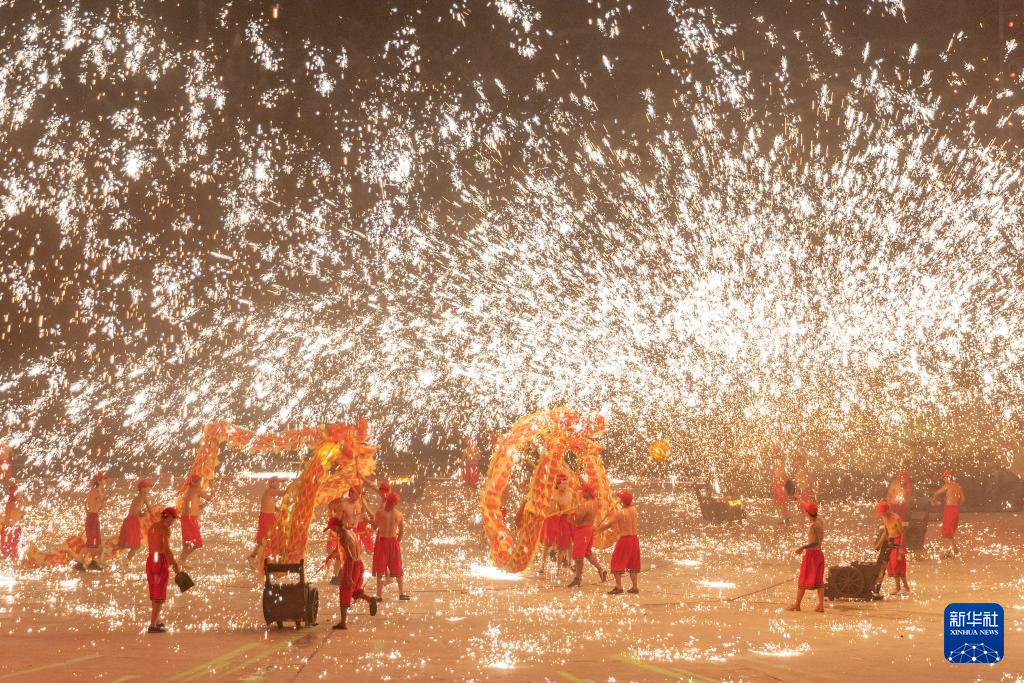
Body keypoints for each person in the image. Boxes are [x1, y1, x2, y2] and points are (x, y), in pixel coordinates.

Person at [328, 517, 378, 629]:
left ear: (336, 527)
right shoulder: (350, 532)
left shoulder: (343, 538)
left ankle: (343, 623)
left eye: (332, 528)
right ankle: (370, 600)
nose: (332, 531)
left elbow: (349, 558)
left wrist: (349, 577)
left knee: (345, 591)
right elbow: (346, 549)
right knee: (354, 590)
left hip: (352, 565)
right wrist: (331, 555)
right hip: (360, 563)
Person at [597, 490, 640, 595]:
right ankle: (634, 587)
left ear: (622, 501)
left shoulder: (620, 513)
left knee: (617, 562)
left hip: (625, 540)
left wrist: (597, 529)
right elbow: (630, 504)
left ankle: (618, 587)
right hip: (634, 540)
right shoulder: (634, 509)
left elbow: (608, 524)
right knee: (633, 563)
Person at [146, 507, 181, 633]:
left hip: (151, 559)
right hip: (160, 559)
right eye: (174, 519)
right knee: (159, 592)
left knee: (155, 590)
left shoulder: (153, 527)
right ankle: (152, 625)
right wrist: (175, 565)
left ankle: (157, 621)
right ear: (169, 517)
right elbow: (166, 549)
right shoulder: (165, 529)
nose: (174, 522)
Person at [566, 481, 607, 588]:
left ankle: (578, 578)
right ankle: (601, 570)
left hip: (582, 531)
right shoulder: (595, 502)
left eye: (583, 491)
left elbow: (577, 521)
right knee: (587, 553)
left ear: (587, 493)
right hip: (589, 530)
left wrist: (570, 518)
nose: (581, 493)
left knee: (578, 556)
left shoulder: (585, 505)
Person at [786, 501, 825, 612]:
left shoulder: (813, 526)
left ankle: (797, 605)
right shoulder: (820, 521)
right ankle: (821, 606)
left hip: (812, 555)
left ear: (807, 513)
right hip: (819, 554)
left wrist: (802, 548)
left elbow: (815, 542)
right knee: (819, 581)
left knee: (802, 580)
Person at [372, 492, 410, 600]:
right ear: (396, 503)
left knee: (380, 569)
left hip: (382, 542)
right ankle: (401, 593)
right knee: (397, 568)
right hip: (393, 542)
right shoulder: (399, 514)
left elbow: (374, 527)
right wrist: (397, 542)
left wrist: (368, 520)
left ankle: (379, 595)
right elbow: (402, 531)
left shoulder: (380, 513)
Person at [540, 474, 575, 576]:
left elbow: (574, 502)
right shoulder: (553, 496)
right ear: (558, 485)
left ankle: (570, 562)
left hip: (567, 519)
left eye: (566, 484)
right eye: (563, 485)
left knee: (569, 543)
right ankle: (542, 565)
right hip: (553, 519)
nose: (565, 486)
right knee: (548, 544)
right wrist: (559, 512)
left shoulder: (570, 492)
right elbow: (552, 511)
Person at [875, 501, 909, 595]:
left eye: (883, 513)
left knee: (898, 565)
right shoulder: (885, 518)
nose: (882, 515)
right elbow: (886, 532)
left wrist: (901, 547)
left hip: (898, 542)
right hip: (890, 542)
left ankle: (904, 587)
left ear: (887, 511)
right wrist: (879, 544)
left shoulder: (896, 518)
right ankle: (898, 587)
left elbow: (902, 533)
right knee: (893, 566)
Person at [114, 479, 153, 562]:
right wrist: (147, 513)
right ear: (142, 489)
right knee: (135, 546)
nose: (148, 489)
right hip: (133, 522)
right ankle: (126, 562)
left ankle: (104, 554)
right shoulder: (144, 497)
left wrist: (142, 513)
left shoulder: (137, 497)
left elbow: (135, 511)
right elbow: (149, 510)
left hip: (128, 520)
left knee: (123, 544)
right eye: (147, 487)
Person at [931, 469, 966, 557]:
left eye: (944, 478)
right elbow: (963, 500)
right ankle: (950, 551)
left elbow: (936, 493)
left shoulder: (947, 486)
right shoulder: (958, 486)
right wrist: (956, 503)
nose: (943, 480)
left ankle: (955, 549)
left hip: (949, 510)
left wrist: (934, 501)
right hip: (956, 510)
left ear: (947, 477)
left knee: (947, 532)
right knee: (950, 531)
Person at [179, 474, 210, 566]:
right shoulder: (197, 490)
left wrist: (202, 506)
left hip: (185, 518)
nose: (199, 482)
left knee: (187, 543)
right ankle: (181, 560)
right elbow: (209, 497)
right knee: (197, 544)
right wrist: (212, 485)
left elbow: (191, 504)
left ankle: (181, 562)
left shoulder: (189, 490)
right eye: (198, 481)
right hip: (189, 518)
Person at [80, 472, 108, 570]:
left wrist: (102, 500)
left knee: (97, 544)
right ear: (99, 481)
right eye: (103, 479)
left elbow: (95, 507)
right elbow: (99, 506)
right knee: (91, 544)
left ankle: (95, 562)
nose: (105, 481)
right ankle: (81, 563)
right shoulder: (95, 492)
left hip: (93, 517)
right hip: (92, 518)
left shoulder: (94, 491)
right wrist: (103, 499)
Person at [250, 477, 283, 558]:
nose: (279, 484)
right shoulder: (270, 491)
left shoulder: (271, 492)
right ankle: (252, 556)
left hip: (270, 516)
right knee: (263, 539)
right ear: (272, 483)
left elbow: (269, 504)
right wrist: (294, 485)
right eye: (277, 482)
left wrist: (278, 509)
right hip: (265, 517)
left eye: (279, 482)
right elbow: (284, 493)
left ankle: (272, 555)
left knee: (274, 536)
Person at [1, 483, 24, 560]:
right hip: (12, 528)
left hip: (8, 528)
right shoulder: (18, 504)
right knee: (13, 550)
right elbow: (21, 516)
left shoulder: (10, 503)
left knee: (6, 550)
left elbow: (9, 516)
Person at [772, 459, 792, 524]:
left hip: (781, 490)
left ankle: (787, 519)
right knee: (781, 505)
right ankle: (785, 518)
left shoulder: (783, 472)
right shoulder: (778, 470)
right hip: (778, 490)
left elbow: (786, 480)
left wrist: (783, 486)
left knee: (783, 505)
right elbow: (776, 479)